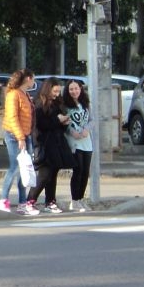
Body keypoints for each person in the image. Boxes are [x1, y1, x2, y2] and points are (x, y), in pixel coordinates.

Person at [27, 77, 74, 213]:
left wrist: (63, 123)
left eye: (59, 91)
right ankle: (30, 201)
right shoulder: (39, 104)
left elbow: (57, 124)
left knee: (53, 173)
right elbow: (41, 125)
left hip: (57, 142)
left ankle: (50, 201)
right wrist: (57, 120)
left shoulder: (57, 103)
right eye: (55, 91)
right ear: (48, 89)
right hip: (44, 143)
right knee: (44, 174)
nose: (57, 94)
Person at [0, 68, 39, 216]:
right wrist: (20, 137)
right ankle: (3, 199)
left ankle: (22, 203)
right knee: (15, 167)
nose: (34, 81)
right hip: (14, 135)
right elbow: (12, 117)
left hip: (25, 135)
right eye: (33, 78)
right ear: (28, 79)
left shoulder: (25, 94)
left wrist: (25, 136)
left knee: (25, 170)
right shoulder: (13, 95)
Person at [63, 79, 93, 212]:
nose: (74, 91)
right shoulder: (65, 105)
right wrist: (72, 131)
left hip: (86, 141)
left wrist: (87, 129)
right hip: (74, 142)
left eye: (76, 88)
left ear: (81, 89)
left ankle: (80, 199)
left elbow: (91, 119)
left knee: (86, 171)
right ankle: (74, 200)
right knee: (78, 170)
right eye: (71, 89)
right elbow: (65, 123)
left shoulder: (85, 103)